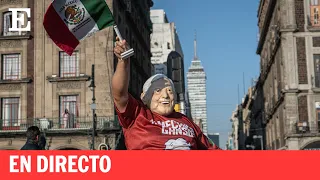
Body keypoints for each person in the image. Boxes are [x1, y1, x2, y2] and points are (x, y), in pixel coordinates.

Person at [112, 37, 220, 150]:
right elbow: (119, 94)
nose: (165, 95)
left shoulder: (187, 122)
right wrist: (123, 62)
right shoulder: (137, 114)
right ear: (144, 97)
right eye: (158, 91)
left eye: (169, 91)